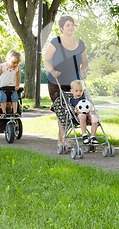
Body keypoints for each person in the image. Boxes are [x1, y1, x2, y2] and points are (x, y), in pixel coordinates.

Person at [44, 15, 88, 149]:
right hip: (56, 82)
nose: (70, 27)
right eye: (67, 25)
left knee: (73, 109)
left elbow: (85, 61)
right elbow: (46, 60)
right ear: (62, 28)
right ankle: (62, 139)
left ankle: (67, 138)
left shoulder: (80, 43)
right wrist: (53, 71)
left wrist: (84, 70)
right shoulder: (55, 41)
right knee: (62, 110)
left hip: (74, 83)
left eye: (72, 25)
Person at [70, 79, 99, 145]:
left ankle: (93, 137)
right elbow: (72, 109)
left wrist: (91, 108)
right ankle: (84, 135)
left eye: (80, 91)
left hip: (88, 114)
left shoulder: (85, 99)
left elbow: (90, 106)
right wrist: (75, 110)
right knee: (82, 116)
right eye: (76, 91)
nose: (78, 93)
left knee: (95, 119)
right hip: (79, 116)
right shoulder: (72, 100)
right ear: (71, 91)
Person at [0, 50, 22, 118]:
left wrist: (17, 85)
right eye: (14, 62)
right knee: (3, 99)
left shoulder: (17, 68)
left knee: (15, 98)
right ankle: (4, 112)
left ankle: (15, 112)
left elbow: (18, 76)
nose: (15, 64)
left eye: (17, 63)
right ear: (8, 60)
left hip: (12, 87)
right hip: (3, 87)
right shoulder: (3, 66)